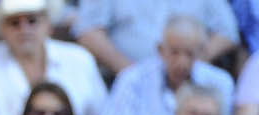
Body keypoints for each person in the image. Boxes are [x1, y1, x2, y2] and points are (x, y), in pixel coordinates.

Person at [103, 14, 236, 115]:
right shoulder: (132, 80)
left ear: (202, 52)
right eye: (174, 52)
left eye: (189, 54)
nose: (182, 62)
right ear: (160, 50)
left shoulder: (221, 83)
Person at [74, 0, 237, 75]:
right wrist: (133, 73)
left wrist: (189, 60)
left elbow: (227, 33)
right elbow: (88, 32)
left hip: (189, 84)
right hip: (124, 79)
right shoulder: (132, 78)